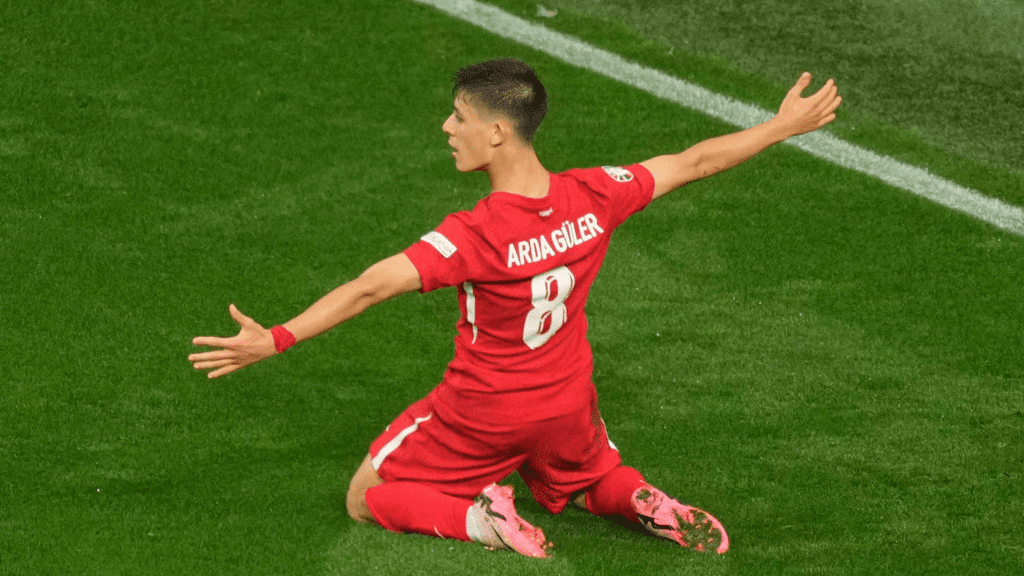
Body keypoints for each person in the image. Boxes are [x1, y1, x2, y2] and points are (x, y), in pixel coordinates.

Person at [189, 58, 841, 558]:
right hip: (567, 401)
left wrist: (275, 338)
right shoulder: (594, 194)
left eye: (459, 118)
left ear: (497, 133)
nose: (447, 128)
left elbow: (369, 286)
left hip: (485, 411)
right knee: (588, 477)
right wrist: (784, 125)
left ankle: (483, 519)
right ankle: (640, 496)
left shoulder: (475, 233)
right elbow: (694, 162)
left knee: (366, 498)